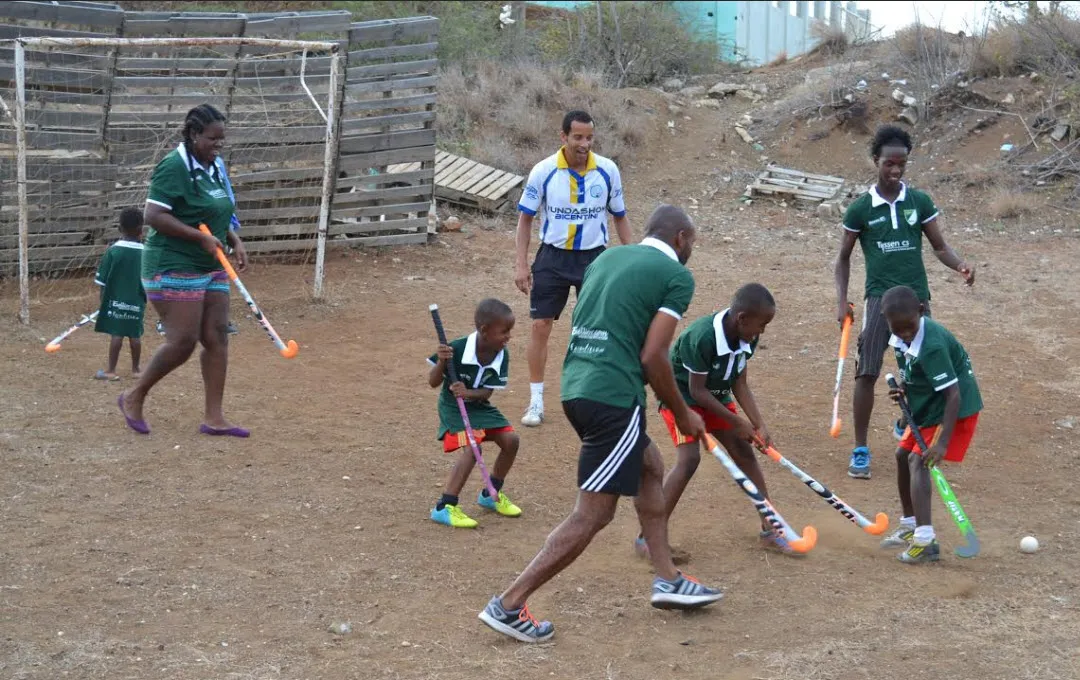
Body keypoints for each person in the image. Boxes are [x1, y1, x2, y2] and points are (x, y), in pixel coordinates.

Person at [479, 204, 722, 644]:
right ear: (682, 239)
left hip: (577, 387)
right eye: (694, 244)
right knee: (594, 514)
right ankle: (509, 604)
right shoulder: (676, 278)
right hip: (614, 396)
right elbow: (653, 356)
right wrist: (685, 413)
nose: (692, 252)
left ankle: (667, 578)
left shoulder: (607, 257)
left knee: (649, 466)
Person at [834, 125, 975, 480]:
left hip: (917, 300)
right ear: (875, 162)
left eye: (901, 164)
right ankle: (861, 448)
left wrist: (959, 264)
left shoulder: (920, 202)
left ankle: (906, 425)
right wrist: (841, 301)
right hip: (879, 299)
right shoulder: (861, 209)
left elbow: (939, 247)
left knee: (923, 371)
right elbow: (843, 259)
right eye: (888, 164)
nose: (895, 171)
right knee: (867, 371)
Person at [118, 103, 249, 437]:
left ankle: (214, 418)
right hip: (172, 262)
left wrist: (233, 239)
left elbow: (216, 209)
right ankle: (134, 396)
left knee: (217, 336)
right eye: (212, 138)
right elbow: (154, 216)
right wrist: (199, 238)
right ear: (193, 134)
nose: (219, 145)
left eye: (222, 139)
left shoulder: (215, 165)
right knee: (183, 341)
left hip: (210, 262)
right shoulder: (173, 166)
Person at [638, 283, 797, 556]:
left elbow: (740, 381)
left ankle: (771, 528)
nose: (763, 331)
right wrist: (738, 423)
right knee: (689, 460)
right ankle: (647, 539)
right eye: (762, 325)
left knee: (744, 453)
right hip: (681, 398)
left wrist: (758, 423)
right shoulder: (703, 337)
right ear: (742, 318)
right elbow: (697, 392)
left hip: (716, 396)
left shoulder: (747, 336)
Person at [514, 110, 632, 428]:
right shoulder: (544, 171)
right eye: (578, 137)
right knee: (540, 326)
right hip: (552, 257)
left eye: (589, 137)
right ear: (563, 136)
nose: (584, 143)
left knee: (596, 328)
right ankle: (536, 400)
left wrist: (632, 257)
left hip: (594, 258)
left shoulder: (607, 171)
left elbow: (619, 215)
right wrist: (522, 263)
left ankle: (593, 397)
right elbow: (525, 218)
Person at [879, 285, 982, 563]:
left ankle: (925, 542)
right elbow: (914, 373)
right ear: (887, 321)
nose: (905, 333)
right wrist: (903, 389)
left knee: (919, 461)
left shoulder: (933, 345)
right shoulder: (899, 338)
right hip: (930, 405)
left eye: (909, 327)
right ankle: (911, 525)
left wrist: (942, 443)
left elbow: (953, 394)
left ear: (921, 312)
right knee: (903, 456)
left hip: (952, 409)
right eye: (897, 328)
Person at [427, 299, 523, 528]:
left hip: (477, 404)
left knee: (511, 441)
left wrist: (468, 392)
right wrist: (442, 362)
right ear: (484, 331)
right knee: (473, 446)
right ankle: (445, 506)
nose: (508, 336)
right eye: (504, 331)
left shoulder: (501, 353)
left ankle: (492, 494)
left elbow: (487, 393)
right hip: (453, 407)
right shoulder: (457, 348)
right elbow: (432, 382)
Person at [93, 207, 147, 381]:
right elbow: (148, 279)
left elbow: (102, 281)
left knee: (117, 334)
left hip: (115, 301)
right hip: (137, 301)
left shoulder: (113, 251)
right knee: (134, 334)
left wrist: (103, 301)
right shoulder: (145, 252)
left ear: (119, 228)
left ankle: (111, 370)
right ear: (141, 230)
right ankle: (137, 369)